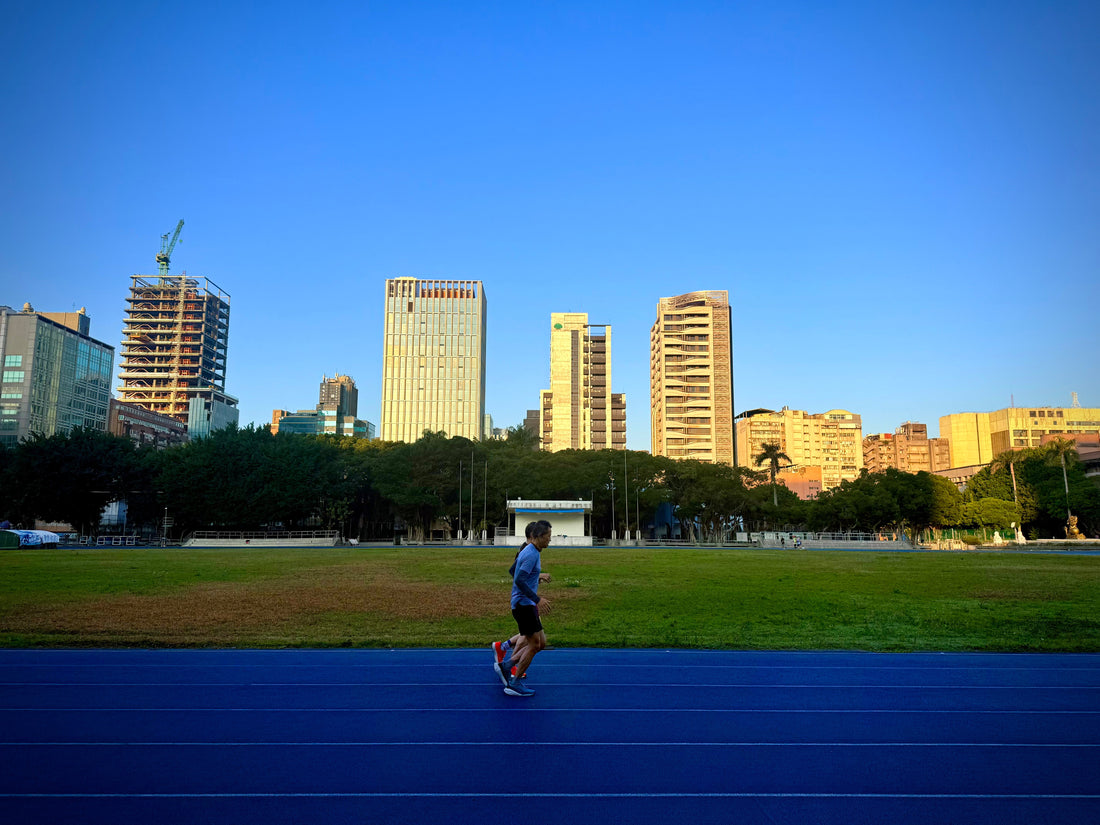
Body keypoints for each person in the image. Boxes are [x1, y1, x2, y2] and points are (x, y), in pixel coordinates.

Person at [495, 520, 552, 697]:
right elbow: (518, 579)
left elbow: (515, 571)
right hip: (523, 605)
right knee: (535, 644)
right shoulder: (531, 554)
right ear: (538, 537)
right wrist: (537, 599)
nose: (550, 540)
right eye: (548, 537)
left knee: (540, 644)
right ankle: (514, 683)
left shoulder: (532, 550)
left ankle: (506, 666)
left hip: (526, 604)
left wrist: (536, 577)